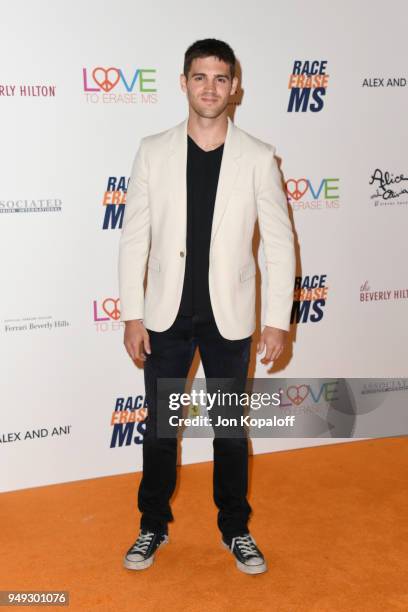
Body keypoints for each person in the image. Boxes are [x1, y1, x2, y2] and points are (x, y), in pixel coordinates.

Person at [118, 38, 295, 575]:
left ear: (235, 86)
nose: (210, 88)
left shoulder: (260, 157)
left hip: (230, 318)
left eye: (221, 78)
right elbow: (134, 238)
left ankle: (235, 529)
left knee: (228, 428)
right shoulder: (153, 150)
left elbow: (281, 243)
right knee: (160, 431)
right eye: (200, 77)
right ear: (183, 82)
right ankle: (152, 526)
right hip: (165, 317)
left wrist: (277, 321)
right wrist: (131, 313)